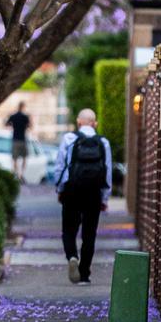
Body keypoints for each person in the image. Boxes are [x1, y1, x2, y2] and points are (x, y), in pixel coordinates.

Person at [54, 108, 112, 285]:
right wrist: (104, 198)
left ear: (79, 121)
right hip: (93, 192)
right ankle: (84, 273)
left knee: (69, 230)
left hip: (72, 190)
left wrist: (60, 188)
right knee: (89, 233)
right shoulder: (103, 142)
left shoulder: (69, 139)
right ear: (95, 123)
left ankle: (72, 256)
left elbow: (60, 166)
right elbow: (107, 170)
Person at [6, 101, 31, 181]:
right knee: (24, 158)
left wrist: (13, 125)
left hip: (15, 139)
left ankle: (17, 174)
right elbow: (30, 126)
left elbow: (6, 124)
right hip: (22, 139)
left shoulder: (13, 116)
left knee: (14, 158)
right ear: (23, 107)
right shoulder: (25, 117)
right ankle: (21, 174)